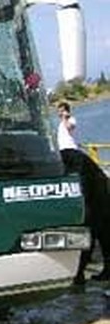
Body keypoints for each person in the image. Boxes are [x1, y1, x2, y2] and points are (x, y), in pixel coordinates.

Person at [57, 101, 110, 283]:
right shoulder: (77, 160)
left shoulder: (69, 124)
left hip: (94, 199)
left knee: (93, 228)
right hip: (97, 195)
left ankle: (79, 273)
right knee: (97, 229)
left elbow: (69, 126)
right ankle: (81, 272)